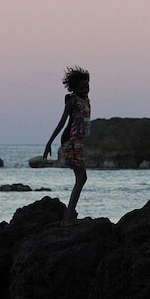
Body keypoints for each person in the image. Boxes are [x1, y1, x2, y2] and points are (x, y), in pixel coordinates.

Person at [43, 66, 91, 227]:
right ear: (74, 88)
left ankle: (68, 216)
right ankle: (68, 217)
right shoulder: (72, 101)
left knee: (81, 178)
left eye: (87, 86)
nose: (86, 89)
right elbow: (63, 121)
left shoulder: (85, 100)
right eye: (82, 87)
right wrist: (49, 142)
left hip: (77, 141)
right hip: (70, 140)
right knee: (82, 177)